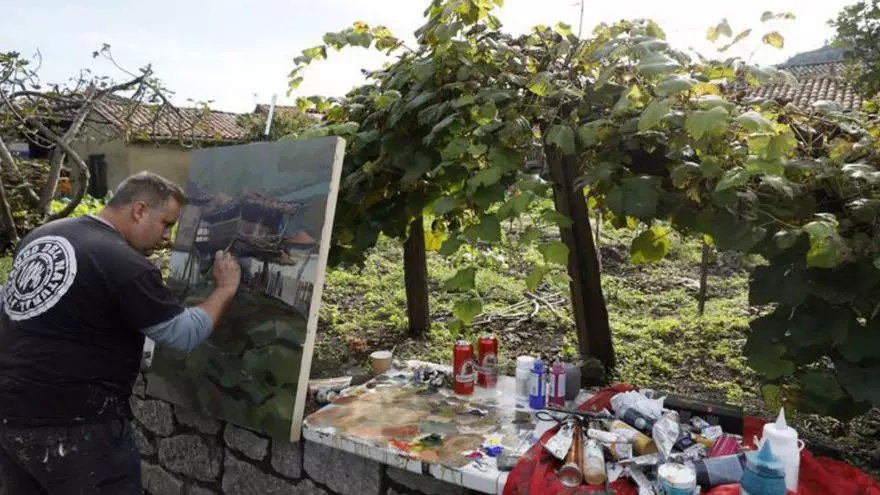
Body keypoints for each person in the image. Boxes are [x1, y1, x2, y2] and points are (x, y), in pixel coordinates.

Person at [0, 171, 241, 494]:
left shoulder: (43, 235)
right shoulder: (124, 263)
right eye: (166, 224)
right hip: (76, 427)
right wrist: (225, 289)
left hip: (10, 414)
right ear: (139, 210)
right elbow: (182, 334)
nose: (167, 236)